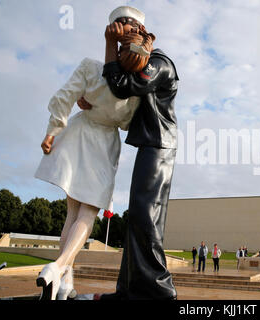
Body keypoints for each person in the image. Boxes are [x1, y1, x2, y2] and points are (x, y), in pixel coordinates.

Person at [34, 14, 151, 300]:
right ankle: (58, 268)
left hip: (78, 133)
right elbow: (126, 124)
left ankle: (63, 286)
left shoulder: (90, 67)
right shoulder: (135, 89)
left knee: (72, 214)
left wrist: (52, 131)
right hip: (103, 142)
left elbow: (64, 96)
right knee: (88, 212)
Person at [88, 5, 180, 300]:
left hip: (159, 145)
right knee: (137, 221)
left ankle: (160, 291)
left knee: (145, 218)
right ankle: (128, 291)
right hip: (149, 144)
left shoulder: (160, 62)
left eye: (126, 26)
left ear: (142, 31)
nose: (121, 31)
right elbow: (113, 96)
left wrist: (109, 43)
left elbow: (121, 86)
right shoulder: (141, 61)